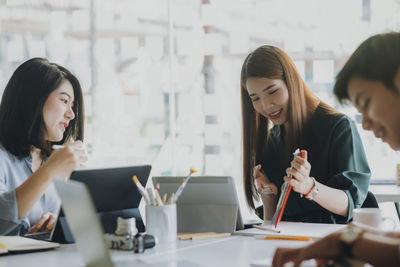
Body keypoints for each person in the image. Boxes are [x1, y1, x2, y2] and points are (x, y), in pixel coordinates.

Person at [272, 32, 400, 267]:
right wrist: (344, 238)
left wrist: (346, 243)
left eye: (367, 102)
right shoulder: (273, 137)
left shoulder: (337, 127)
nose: (367, 125)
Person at [241, 45, 370, 224]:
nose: (266, 105)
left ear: (291, 82)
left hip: (330, 241)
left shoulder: (339, 127)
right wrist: (269, 196)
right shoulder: (271, 140)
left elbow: (352, 204)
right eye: (255, 98)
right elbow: (273, 220)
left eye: (272, 92)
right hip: (286, 240)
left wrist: (309, 186)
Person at [0, 58, 87, 236]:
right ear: (33, 100)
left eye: (72, 105)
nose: (71, 114)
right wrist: (49, 171)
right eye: (64, 101)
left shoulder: (53, 161)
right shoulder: (4, 158)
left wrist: (59, 223)